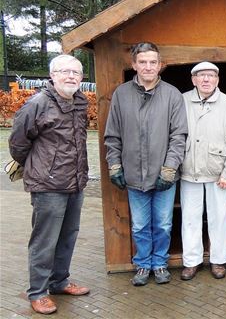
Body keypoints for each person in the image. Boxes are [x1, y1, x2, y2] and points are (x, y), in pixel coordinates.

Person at [9, 55, 90, 315]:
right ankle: (38, 292)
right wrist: (41, 167)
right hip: (48, 186)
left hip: (75, 182)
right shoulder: (38, 103)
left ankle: (59, 282)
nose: (71, 77)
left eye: (76, 73)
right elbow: (18, 144)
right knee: (44, 240)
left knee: (68, 236)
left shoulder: (80, 101)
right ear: (52, 75)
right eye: (64, 72)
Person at [104, 42, 187, 287]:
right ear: (134, 65)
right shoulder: (121, 94)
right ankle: (143, 264)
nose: (148, 67)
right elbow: (112, 135)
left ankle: (159, 262)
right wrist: (114, 165)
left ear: (160, 65)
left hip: (164, 175)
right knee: (140, 224)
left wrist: (170, 168)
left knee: (162, 223)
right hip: (134, 175)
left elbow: (179, 135)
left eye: (153, 62)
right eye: (143, 62)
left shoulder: (172, 94)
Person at [179, 62, 226, 281]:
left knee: (219, 218)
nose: (206, 79)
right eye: (201, 75)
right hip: (189, 169)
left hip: (218, 173)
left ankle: (218, 260)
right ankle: (191, 261)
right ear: (193, 79)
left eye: (211, 75)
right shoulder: (181, 101)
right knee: (190, 218)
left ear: (217, 79)